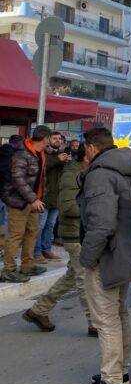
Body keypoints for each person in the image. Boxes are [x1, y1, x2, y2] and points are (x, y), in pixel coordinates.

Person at [80, 127, 131, 384]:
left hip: (106, 255)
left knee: (106, 320)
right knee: (119, 314)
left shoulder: (100, 175)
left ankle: (111, 380)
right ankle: (121, 371)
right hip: (129, 250)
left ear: (91, 147)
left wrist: (87, 257)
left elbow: (102, 224)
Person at [23, 145, 94, 336]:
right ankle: (95, 323)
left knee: (72, 275)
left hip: (83, 232)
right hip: (74, 234)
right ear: (87, 155)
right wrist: (96, 211)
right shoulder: (73, 174)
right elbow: (69, 207)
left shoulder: (86, 172)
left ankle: (39, 310)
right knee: (84, 279)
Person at [1, 125, 52, 283]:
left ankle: (27, 265)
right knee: (16, 235)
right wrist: (33, 199)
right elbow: (18, 179)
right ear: (45, 139)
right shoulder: (22, 154)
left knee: (32, 232)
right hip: (19, 200)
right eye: (50, 138)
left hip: (33, 201)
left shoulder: (40, 152)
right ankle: (8, 270)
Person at [34, 131, 70, 263]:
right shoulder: (43, 153)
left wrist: (66, 163)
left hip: (57, 196)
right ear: (48, 139)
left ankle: (47, 250)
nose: (57, 140)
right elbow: (41, 167)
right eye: (54, 138)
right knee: (40, 225)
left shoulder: (61, 154)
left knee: (50, 225)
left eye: (59, 138)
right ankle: (36, 252)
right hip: (44, 196)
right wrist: (58, 159)